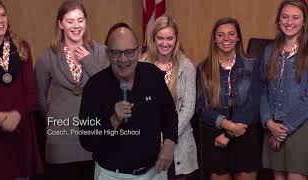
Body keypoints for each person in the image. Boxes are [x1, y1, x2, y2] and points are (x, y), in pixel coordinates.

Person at [79, 23, 178, 180]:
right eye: (116, 53)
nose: (123, 59)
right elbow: (86, 140)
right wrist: (113, 121)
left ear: (139, 51)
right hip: (112, 175)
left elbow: (170, 115)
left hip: (154, 173)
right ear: (107, 53)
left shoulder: (152, 76)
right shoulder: (94, 87)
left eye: (129, 52)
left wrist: (169, 142)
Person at [34, 0, 109, 179]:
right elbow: (40, 99)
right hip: (61, 140)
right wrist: (55, 118)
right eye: (70, 21)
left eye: (80, 20)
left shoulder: (101, 52)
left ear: (86, 22)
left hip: (94, 137)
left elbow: (109, 90)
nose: (76, 26)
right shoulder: (48, 56)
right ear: (60, 24)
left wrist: (89, 62)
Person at [196, 17, 261, 180]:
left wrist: (229, 134)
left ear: (238, 37)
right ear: (214, 39)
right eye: (221, 35)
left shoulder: (252, 66)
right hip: (215, 136)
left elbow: (253, 106)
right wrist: (227, 126)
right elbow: (202, 107)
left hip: (245, 133)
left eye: (231, 34)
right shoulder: (203, 69)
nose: (226, 39)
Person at [0, 0, 43, 179]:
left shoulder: (21, 47)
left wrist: (17, 115)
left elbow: (32, 93)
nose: (0, 21)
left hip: (20, 131)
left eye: (2, 15)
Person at [141, 15, 198, 180]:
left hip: (178, 143)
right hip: (148, 141)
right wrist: (153, 135)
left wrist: (167, 137)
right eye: (160, 38)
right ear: (153, 39)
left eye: (169, 38)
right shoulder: (141, 64)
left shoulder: (187, 66)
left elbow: (188, 109)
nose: (165, 43)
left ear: (176, 39)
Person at [260, 0, 308, 179]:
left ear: (304, 21)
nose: (290, 22)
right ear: (278, 20)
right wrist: (269, 123)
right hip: (273, 125)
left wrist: (285, 128)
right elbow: (263, 88)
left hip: (300, 126)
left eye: (296, 17)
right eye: (285, 17)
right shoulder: (269, 51)